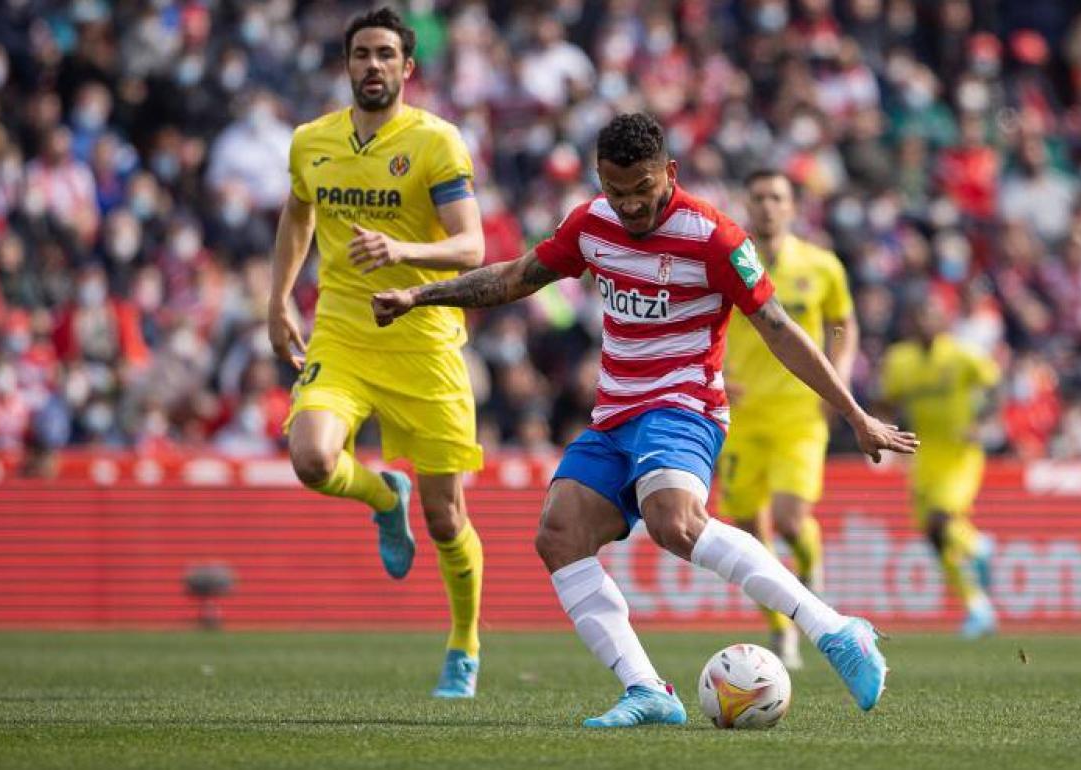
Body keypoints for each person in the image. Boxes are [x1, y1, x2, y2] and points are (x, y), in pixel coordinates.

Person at [373, 113, 917, 727]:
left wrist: (854, 414)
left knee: (674, 521)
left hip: (684, 405)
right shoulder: (590, 223)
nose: (629, 204)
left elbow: (780, 330)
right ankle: (648, 690)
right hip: (614, 414)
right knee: (558, 535)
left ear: (670, 173)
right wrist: (418, 296)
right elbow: (515, 278)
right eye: (615, 189)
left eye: (642, 188)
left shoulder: (715, 237)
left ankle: (835, 630)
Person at [268, 7, 487, 698]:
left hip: (424, 341)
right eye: (362, 54)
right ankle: (382, 496)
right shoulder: (311, 142)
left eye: (385, 54)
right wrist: (278, 299)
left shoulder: (436, 142)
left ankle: (464, 643)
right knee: (311, 458)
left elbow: (472, 247)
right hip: (343, 333)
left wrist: (400, 249)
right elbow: (298, 213)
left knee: (447, 517)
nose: (373, 65)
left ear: (407, 67)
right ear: (346, 64)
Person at [718, 169, 858, 669]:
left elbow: (842, 323)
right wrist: (713, 371)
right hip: (741, 414)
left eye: (776, 197)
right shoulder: (728, 261)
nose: (767, 206)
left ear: (792, 206)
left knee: (788, 519)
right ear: (747, 205)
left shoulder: (821, 265)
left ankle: (810, 566)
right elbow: (703, 321)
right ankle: (781, 631)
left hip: (800, 413)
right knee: (749, 531)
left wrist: (838, 377)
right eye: (758, 197)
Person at [881, 300, 999, 638]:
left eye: (929, 316)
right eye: (918, 317)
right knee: (934, 537)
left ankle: (979, 547)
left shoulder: (962, 355)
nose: (924, 323)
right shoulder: (899, 360)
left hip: (959, 453)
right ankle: (977, 607)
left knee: (941, 520)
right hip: (923, 455)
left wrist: (983, 422)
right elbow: (891, 401)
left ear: (943, 321)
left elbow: (995, 385)